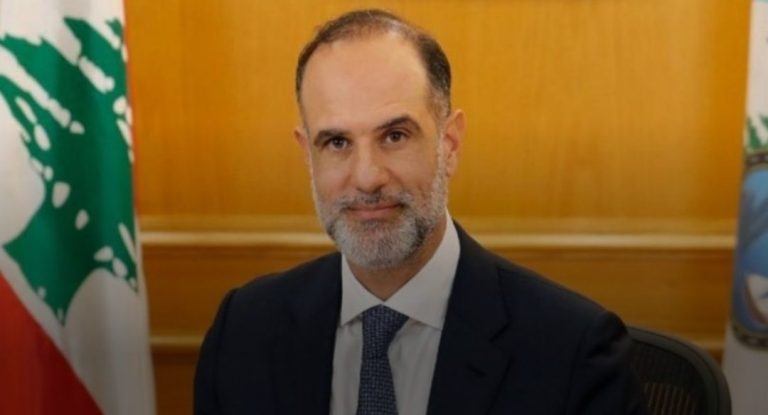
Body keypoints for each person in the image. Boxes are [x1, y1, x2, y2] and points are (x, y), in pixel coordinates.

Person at [194, 9, 646, 415]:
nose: (367, 177)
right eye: (337, 142)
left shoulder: (573, 350)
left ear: (450, 144)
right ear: (308, 157)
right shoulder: (244, 330)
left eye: (394, 136)